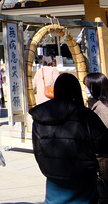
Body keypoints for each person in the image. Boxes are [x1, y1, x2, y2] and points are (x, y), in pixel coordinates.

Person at [30, 72, 108, 204]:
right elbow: (103, 144)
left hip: (54, 183)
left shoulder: (40, 117)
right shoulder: (86, 115)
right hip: (84, 186)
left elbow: (38, 151)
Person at [86, 72, 108, 185]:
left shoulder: (101, 110)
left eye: (86, 86)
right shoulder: (96, 106)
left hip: (103, 161)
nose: (85, 90)